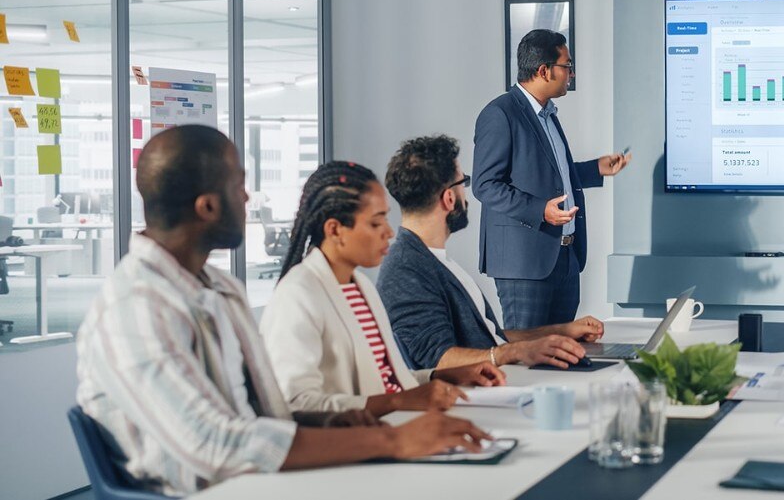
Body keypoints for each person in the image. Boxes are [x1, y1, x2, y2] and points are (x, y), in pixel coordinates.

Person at [75, 125, 490, 496]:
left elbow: (272, 410)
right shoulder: (135, 307)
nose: (247, 196)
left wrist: (340, 422)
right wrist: (392, 441)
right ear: (206, 207)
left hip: (261, 482)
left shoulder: (218, 288)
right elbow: (216, 446)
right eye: (238, 185)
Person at [260, 161, 506, 418]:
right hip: (359, 442)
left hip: (391, 426)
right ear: (335, 230)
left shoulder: (360, 286)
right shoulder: (298, 295)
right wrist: (397, 403)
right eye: (376, 224)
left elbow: (385, 381)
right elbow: (296, 404)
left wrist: (443, 376)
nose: (389, 232)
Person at [379, 135, 606, 370]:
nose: (466, 195)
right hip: (480, 396)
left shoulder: (432, 260)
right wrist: (518, 352)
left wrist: (562, 331)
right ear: (448, 198)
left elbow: (490, 336)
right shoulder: (406, 269)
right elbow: (437, 359)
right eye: (463, 183)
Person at [473, 28, 630, 331]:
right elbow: (485, 185)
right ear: (544, 71)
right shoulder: (500, 114)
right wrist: (539, 210)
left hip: (564, 257)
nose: (570, 74)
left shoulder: (548, 114)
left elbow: (554, 176)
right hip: (524, 265)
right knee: (528, 357)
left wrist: (595, 169)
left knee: (560, 354)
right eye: (567, 66)